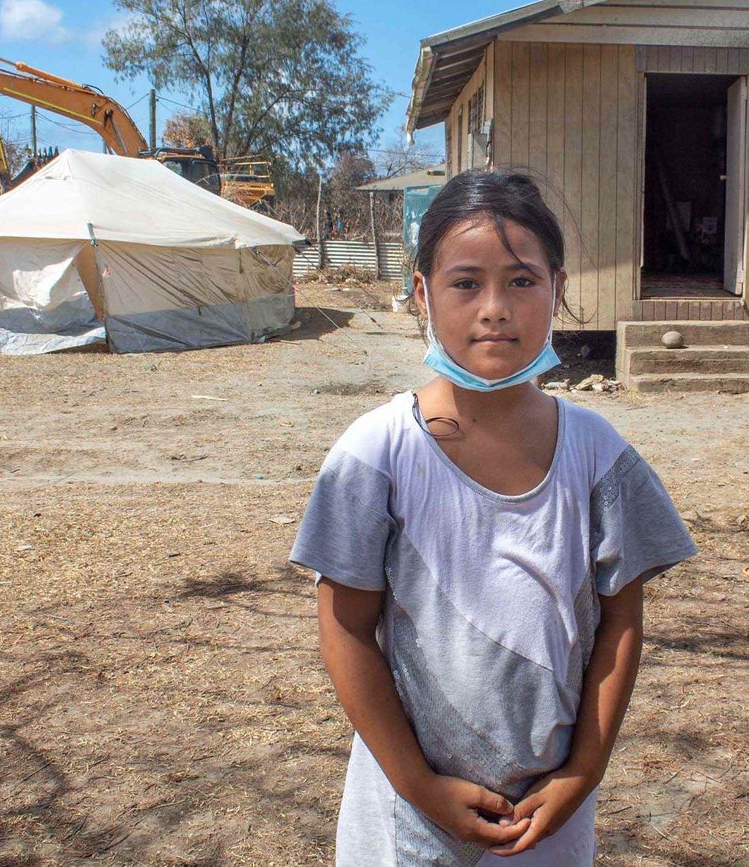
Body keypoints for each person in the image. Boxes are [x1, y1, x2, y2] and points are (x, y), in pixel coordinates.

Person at [290, 170, 697, 865]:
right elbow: (346, 627)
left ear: (559, 289)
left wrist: (583, 770)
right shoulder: (377, 454)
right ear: (421, 293)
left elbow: (620, 621)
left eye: (521, 281)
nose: (494, 309)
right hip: (407, 820)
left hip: (547, 818)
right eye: (465, 282)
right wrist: (418, 784)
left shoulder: (599, 457)